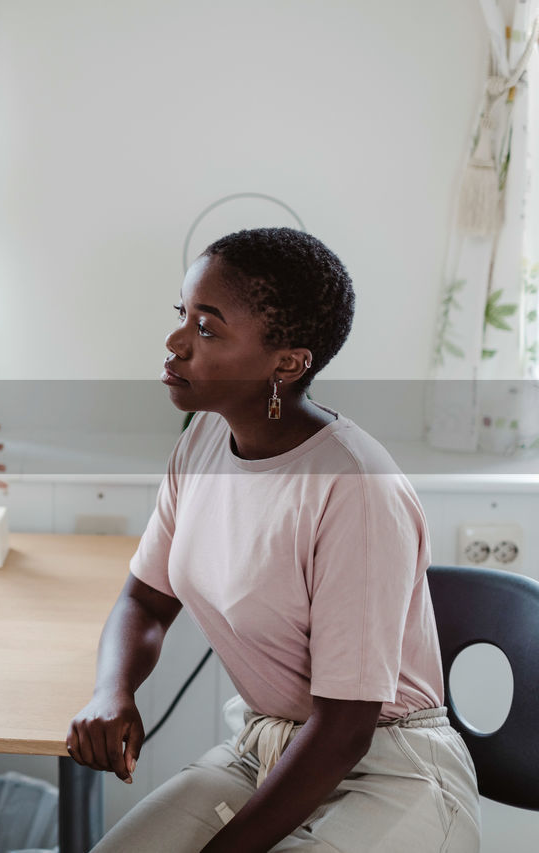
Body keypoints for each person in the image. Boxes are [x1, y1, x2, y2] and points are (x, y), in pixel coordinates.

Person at [67, 228, 480, 852]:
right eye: (183, 314)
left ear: (286, 362)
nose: (176, 342)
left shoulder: (356, 489)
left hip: (389, 769)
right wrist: (112, 692)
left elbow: (345, 729)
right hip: (267, 747)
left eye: (208, 329)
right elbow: (145, 602)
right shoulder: (203, 442)